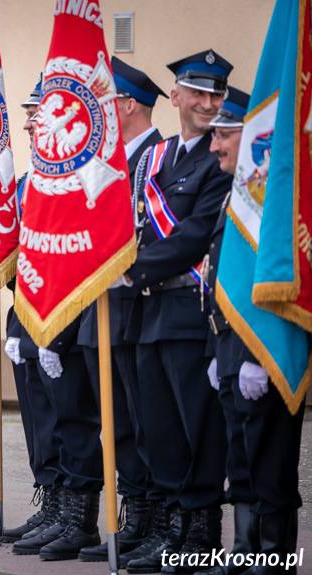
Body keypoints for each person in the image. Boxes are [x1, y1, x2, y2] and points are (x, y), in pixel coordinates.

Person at [121, 50, 234, 574]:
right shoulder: (157, 157)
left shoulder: (220, 159)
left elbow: (193, 237)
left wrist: (130, 269)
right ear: (177, 97)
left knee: (198, 430)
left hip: (189, 311)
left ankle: (202, 533)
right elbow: (135, 223)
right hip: (151, 313)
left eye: (217, 94)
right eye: (200, 93)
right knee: (158, 429)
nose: (210, 103)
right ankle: (172, 527)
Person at [200, 87, 304, 575]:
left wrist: (263, 355)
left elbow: (277, 279)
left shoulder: (270, 204)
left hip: (263, 348)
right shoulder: (235, 200)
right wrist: (216, 345)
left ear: (255, 135)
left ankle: (275, 555)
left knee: (270, 460)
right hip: (229, 343)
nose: (215, 145)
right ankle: (245, 548)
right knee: (240, 457)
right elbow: (221, 278)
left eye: (224, 134)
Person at [76, 56, 167, 563]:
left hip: (142, 312)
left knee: (148, 421)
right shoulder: (106, 164)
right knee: (119, 426)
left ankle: (158, 518)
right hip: (100, 313)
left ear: (127, 105)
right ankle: (135, 518)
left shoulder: (157, 156)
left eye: (104, 100)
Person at [2, 78, 63, 546]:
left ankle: (72, 511)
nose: (25, 123)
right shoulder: (26, 183)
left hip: (62, 323)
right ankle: (50, 503)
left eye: (36, 113)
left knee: (68, 421)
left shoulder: (65, 184)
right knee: (37, 420)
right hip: (23, 317)